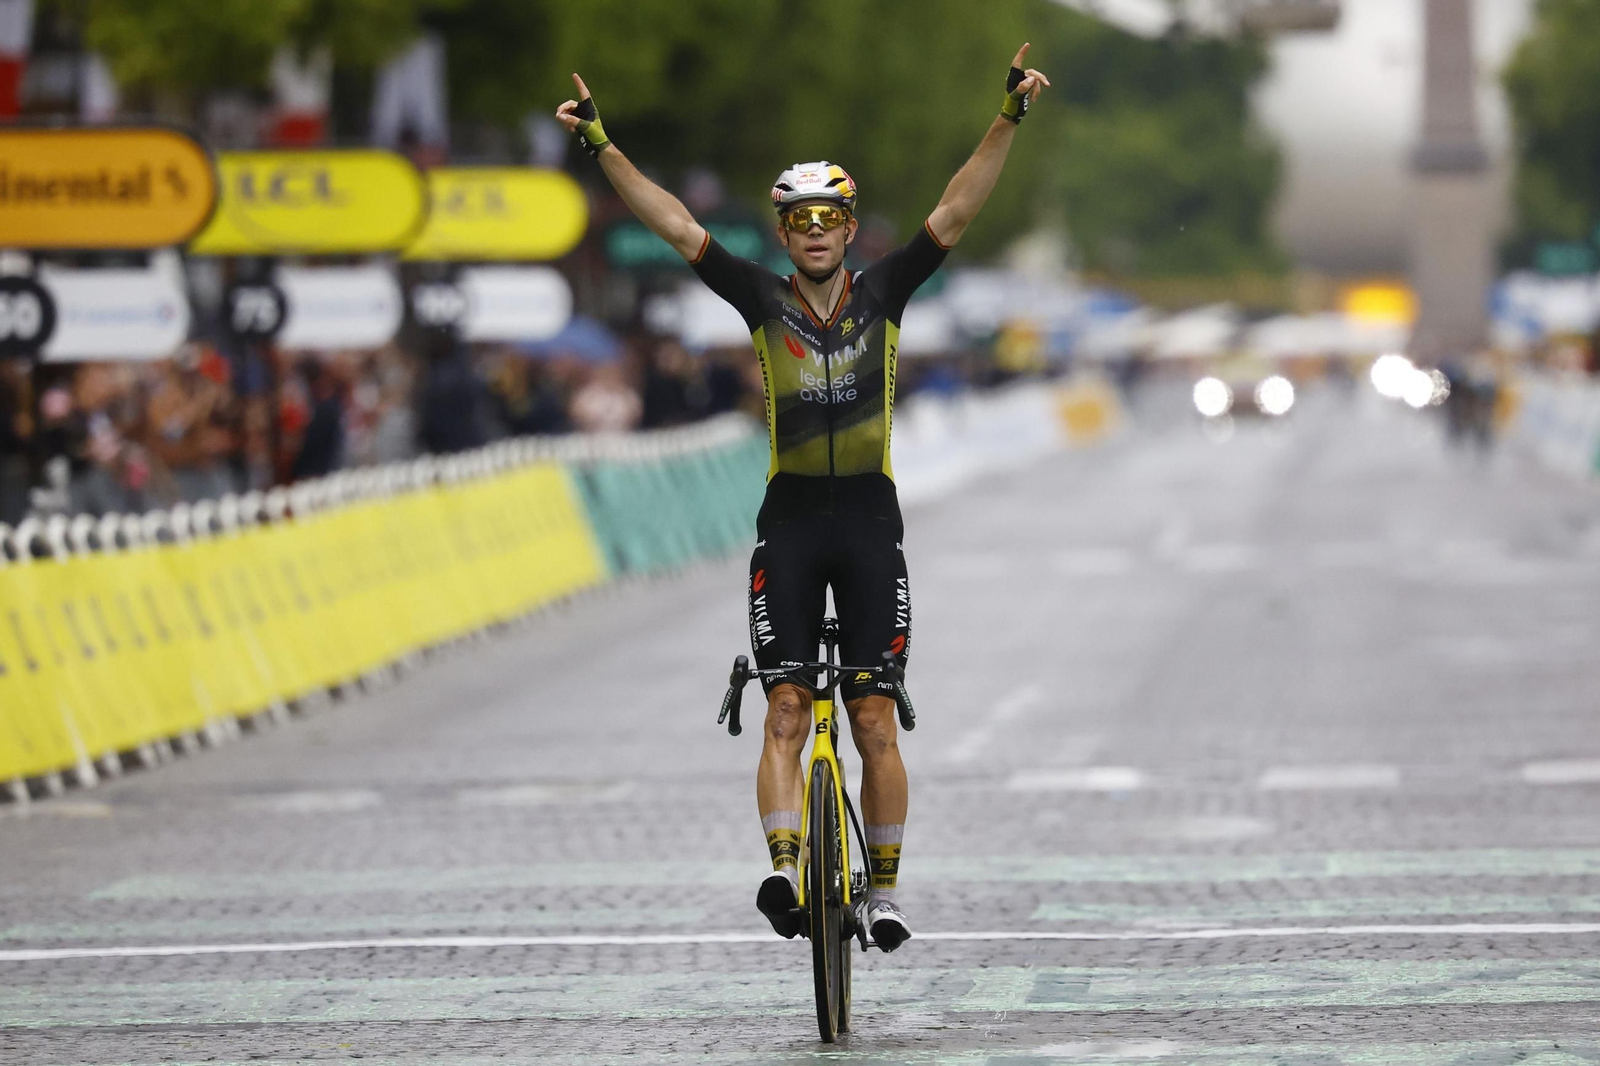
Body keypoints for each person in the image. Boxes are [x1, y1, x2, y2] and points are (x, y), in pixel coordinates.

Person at [557, 45, 1049, 952]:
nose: (816, 230)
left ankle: (887, 892)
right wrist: (601, 147)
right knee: (785, 706)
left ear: (851, 228)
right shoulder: (758, 299)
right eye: (799, 219)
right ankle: (784, 872)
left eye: (830, 216)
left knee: (870, 716)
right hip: (787, 524)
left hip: (869, 524)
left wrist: (1008, 117)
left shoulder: (886, 293)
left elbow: (958, 207)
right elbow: (674, 225)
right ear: (782, 236)